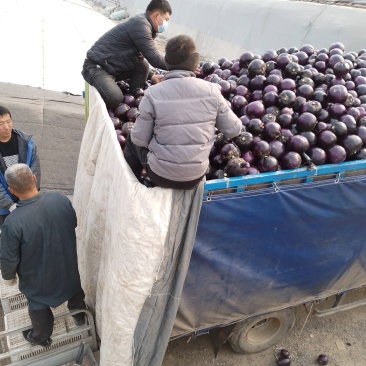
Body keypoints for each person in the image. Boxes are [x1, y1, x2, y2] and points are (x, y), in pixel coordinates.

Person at [123, 35, 242, 189]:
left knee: (132, 140)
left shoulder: (152, 93)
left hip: (159, 175)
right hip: (196, 177)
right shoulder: (212, 91)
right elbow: (234, 130)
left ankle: (130, 189)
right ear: (195, 62)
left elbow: (140, 139)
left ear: (166, 62)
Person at [0, 164, 86, 347]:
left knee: (38, 306)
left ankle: (41, 335)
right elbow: (74, 223)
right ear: (34, 178)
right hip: (67, 267)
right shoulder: (60, 199)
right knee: (76, 295)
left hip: (37, 280)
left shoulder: (13, 222)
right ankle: (80, 317)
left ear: (11, 190)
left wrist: (8, 276)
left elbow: (9, 258)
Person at [82, 0, 172, 109]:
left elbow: (138, 57)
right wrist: (181, 65)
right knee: (115, 97)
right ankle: (97, 99)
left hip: (112, 65)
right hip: (97, 67)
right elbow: (154, 58)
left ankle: (134, 99)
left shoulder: (146, 26)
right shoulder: (141, 24)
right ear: (157, 15)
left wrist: (151, 76)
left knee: (142, 65)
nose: (166, 24)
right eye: (166, 20)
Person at [0, 106, 40, 226]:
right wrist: (10, 206)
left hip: (28, 202)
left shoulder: (27, 142)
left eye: (8, 121)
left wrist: (29, 199)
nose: (6, 127)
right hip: (4, 207)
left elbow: (35, 171)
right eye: (0, 123)